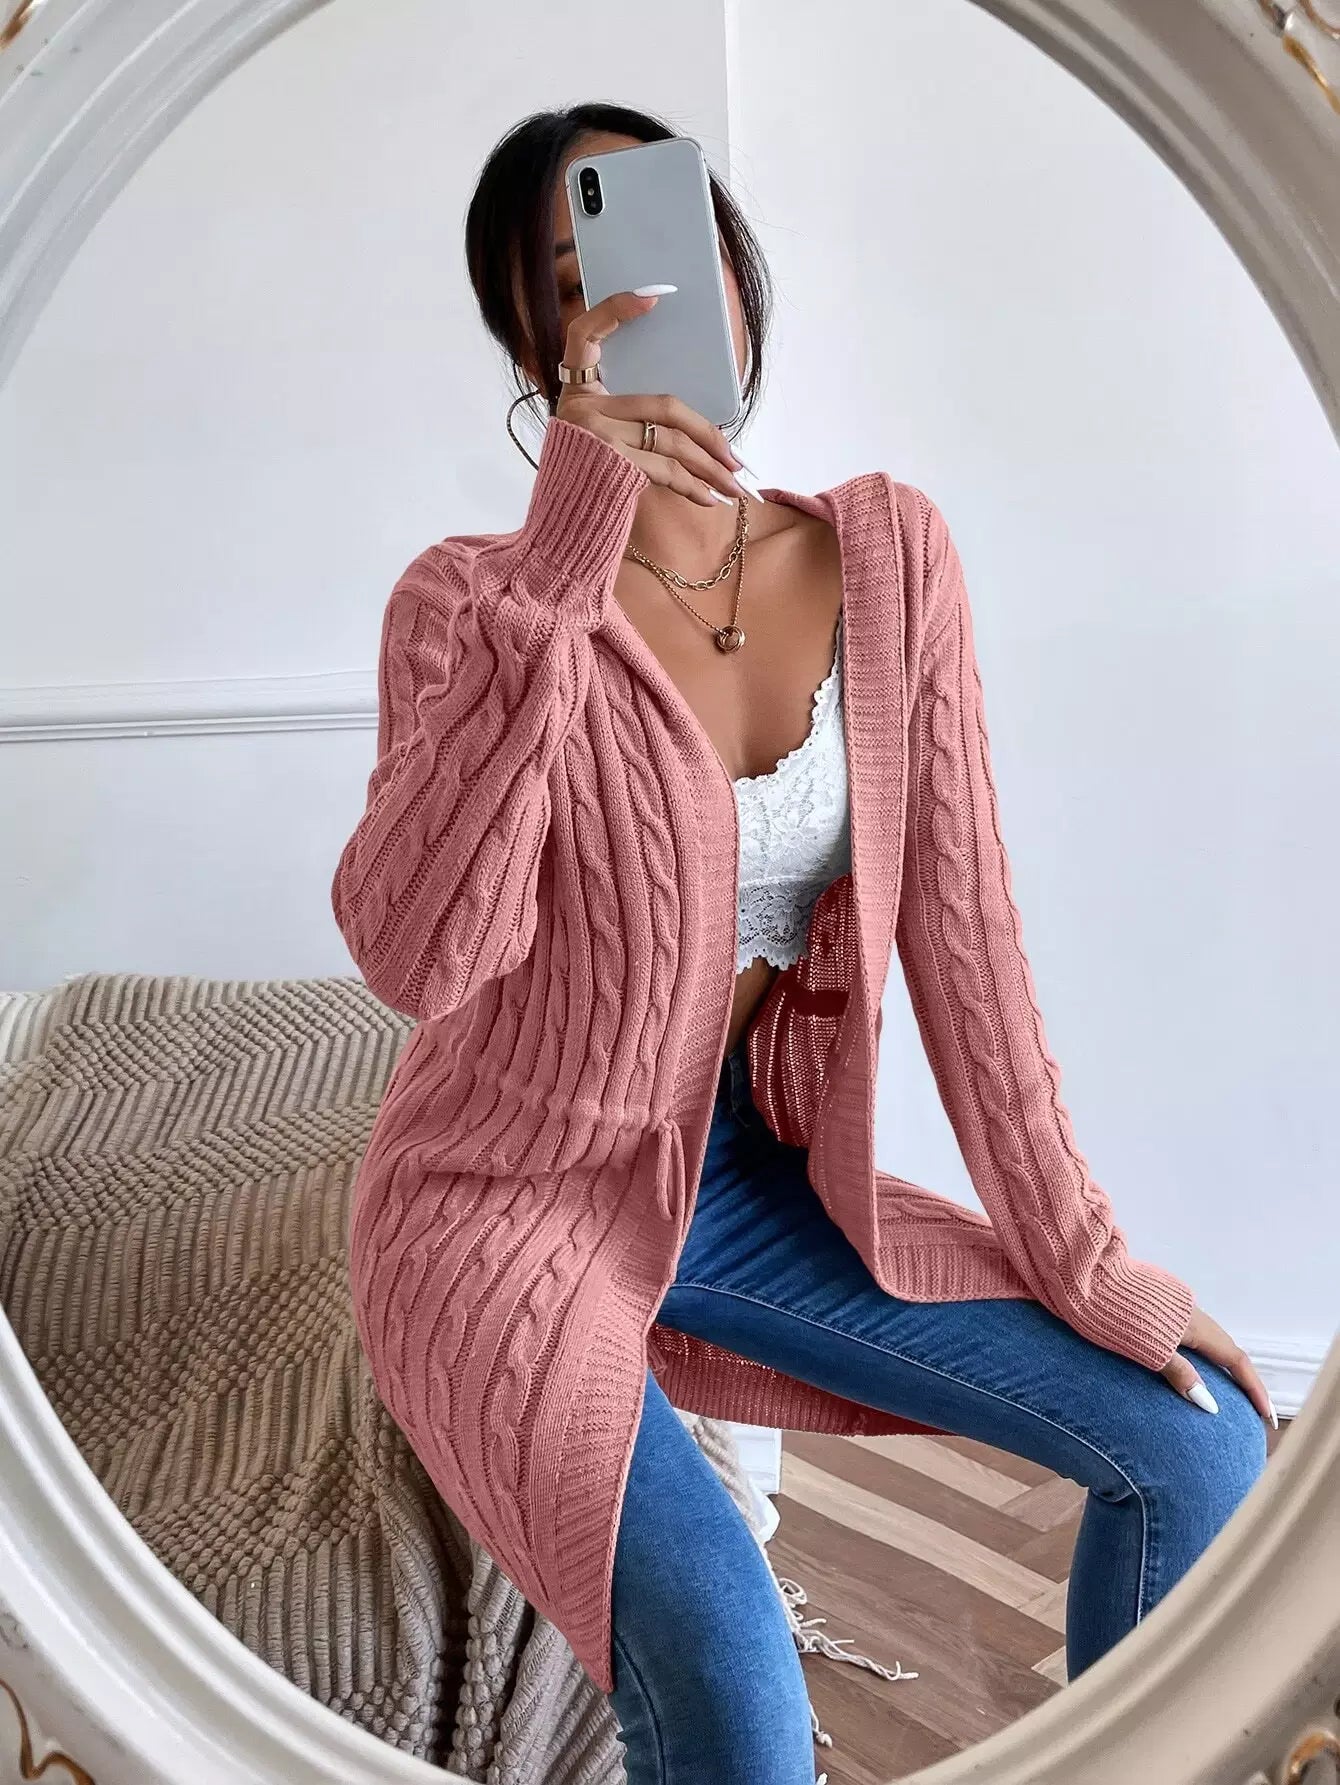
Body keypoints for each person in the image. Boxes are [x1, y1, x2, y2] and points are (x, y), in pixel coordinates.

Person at [332, 103, 1272, 1785]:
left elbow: (970, 947)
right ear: (533, 348)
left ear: (740, 278)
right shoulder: (470, 603)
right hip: (495, 1203)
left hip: (743, 1182)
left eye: (669, 245)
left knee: (1198, 1450)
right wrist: (561, 564)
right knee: (737, 1685)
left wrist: (1086, 1256)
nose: (639, 300)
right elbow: (419, 955)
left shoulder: (887, 556)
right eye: (577, 281)